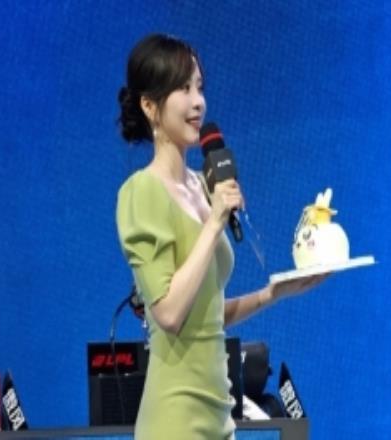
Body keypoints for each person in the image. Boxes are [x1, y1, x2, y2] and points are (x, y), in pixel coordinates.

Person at [115, 33, 327, 440]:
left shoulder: (202, 185)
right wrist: (213, 223)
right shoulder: (141, 193)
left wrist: (272, 293)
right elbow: (170, 314)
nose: (198, 102)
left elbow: (205, 315)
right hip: (175, 419)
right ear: (149, 106)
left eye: (200, 87)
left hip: (219, 416)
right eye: (183, 89)